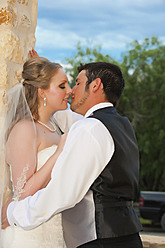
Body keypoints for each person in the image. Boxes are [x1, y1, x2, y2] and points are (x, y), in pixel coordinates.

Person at [2, 62, 143, 248]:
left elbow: (63, 193)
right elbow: (60, 115)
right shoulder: (122, 125)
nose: (71, 90)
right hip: (127, 234)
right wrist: (42, 74)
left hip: (100, 238)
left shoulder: (88, 128)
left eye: (76, 83)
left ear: (95, 85)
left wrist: (13, 213)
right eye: (64, 85)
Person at [0, 56, 82, 248]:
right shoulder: (25, 129)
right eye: (62, 86)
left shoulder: (54, 127)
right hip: (30, 235)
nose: (70, 91)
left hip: (54, 230)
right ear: (42, 92)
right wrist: (58, 153)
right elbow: (22, 192)